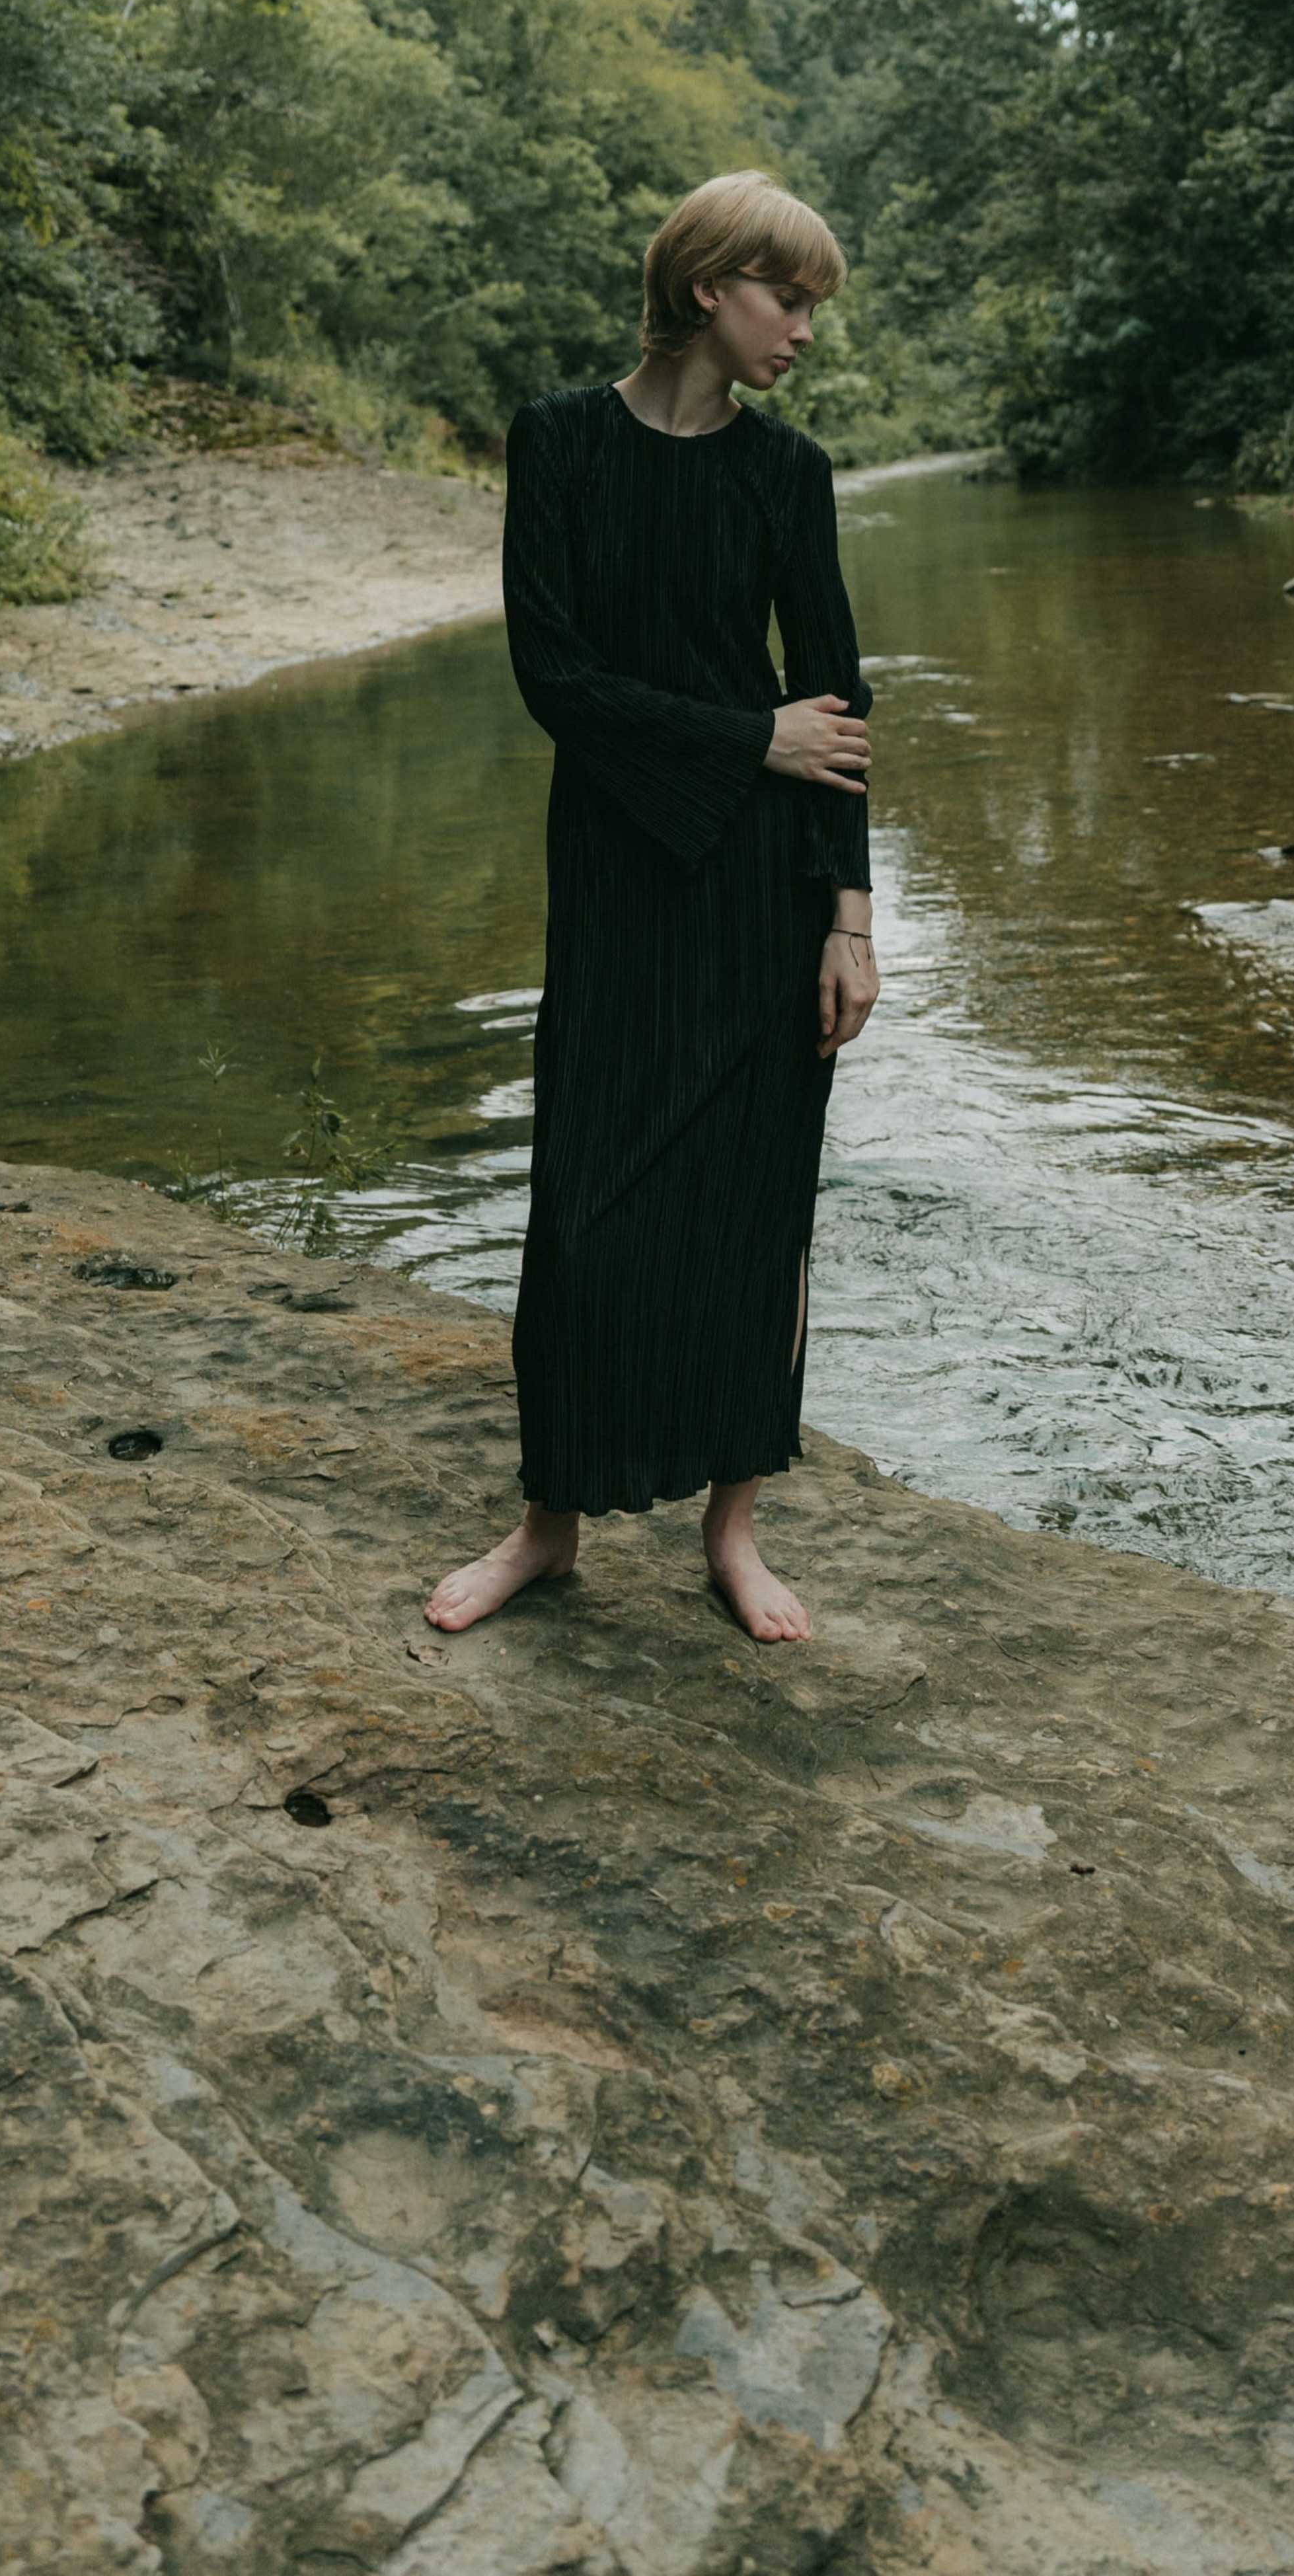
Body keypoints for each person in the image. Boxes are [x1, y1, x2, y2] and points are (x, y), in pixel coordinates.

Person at [424, 172, 879, 1647]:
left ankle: (732, 1532)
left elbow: (839, 705)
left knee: (753, 1203)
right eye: (789, 299)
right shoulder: (557, 442)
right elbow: (555, 678)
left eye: (813, 306)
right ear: (710, 286)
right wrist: (748, 737)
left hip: (765, 891)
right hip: (621, 866)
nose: (806, 331)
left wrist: (849, 917)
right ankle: (550, 1524)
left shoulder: (788, 472)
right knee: (587, 1199)